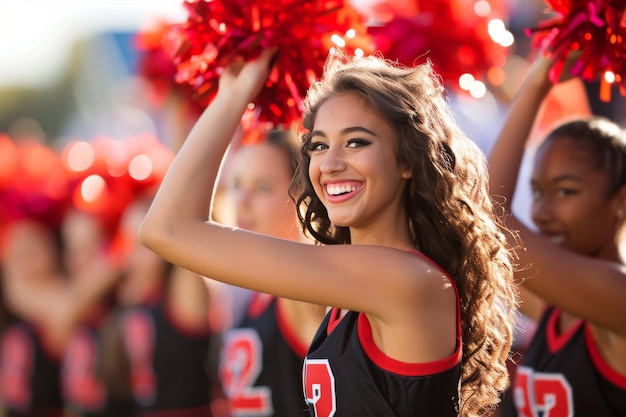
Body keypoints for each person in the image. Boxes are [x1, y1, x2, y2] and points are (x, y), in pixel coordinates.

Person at [139, 48, 517, 416]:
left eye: (356, 142)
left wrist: (233, 97)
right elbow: (168, 229)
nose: (331, 163)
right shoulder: (352, 286)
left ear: (406, 159)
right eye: (318, 145)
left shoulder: (403, 279)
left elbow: (169, 230)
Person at [488, 53, 626, 416]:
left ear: (621, 200)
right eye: (536, 192)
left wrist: (538, 83)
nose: (542, 212)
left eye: (565, 191)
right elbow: (473, 235)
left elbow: (490, 223)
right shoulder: (552, 305)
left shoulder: (618, 295)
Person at [218, 128, 326, 416]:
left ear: (302, 196)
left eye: (263, 187)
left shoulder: (302, 287)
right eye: (237, 184)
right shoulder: (256, 290)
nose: (242, 201)